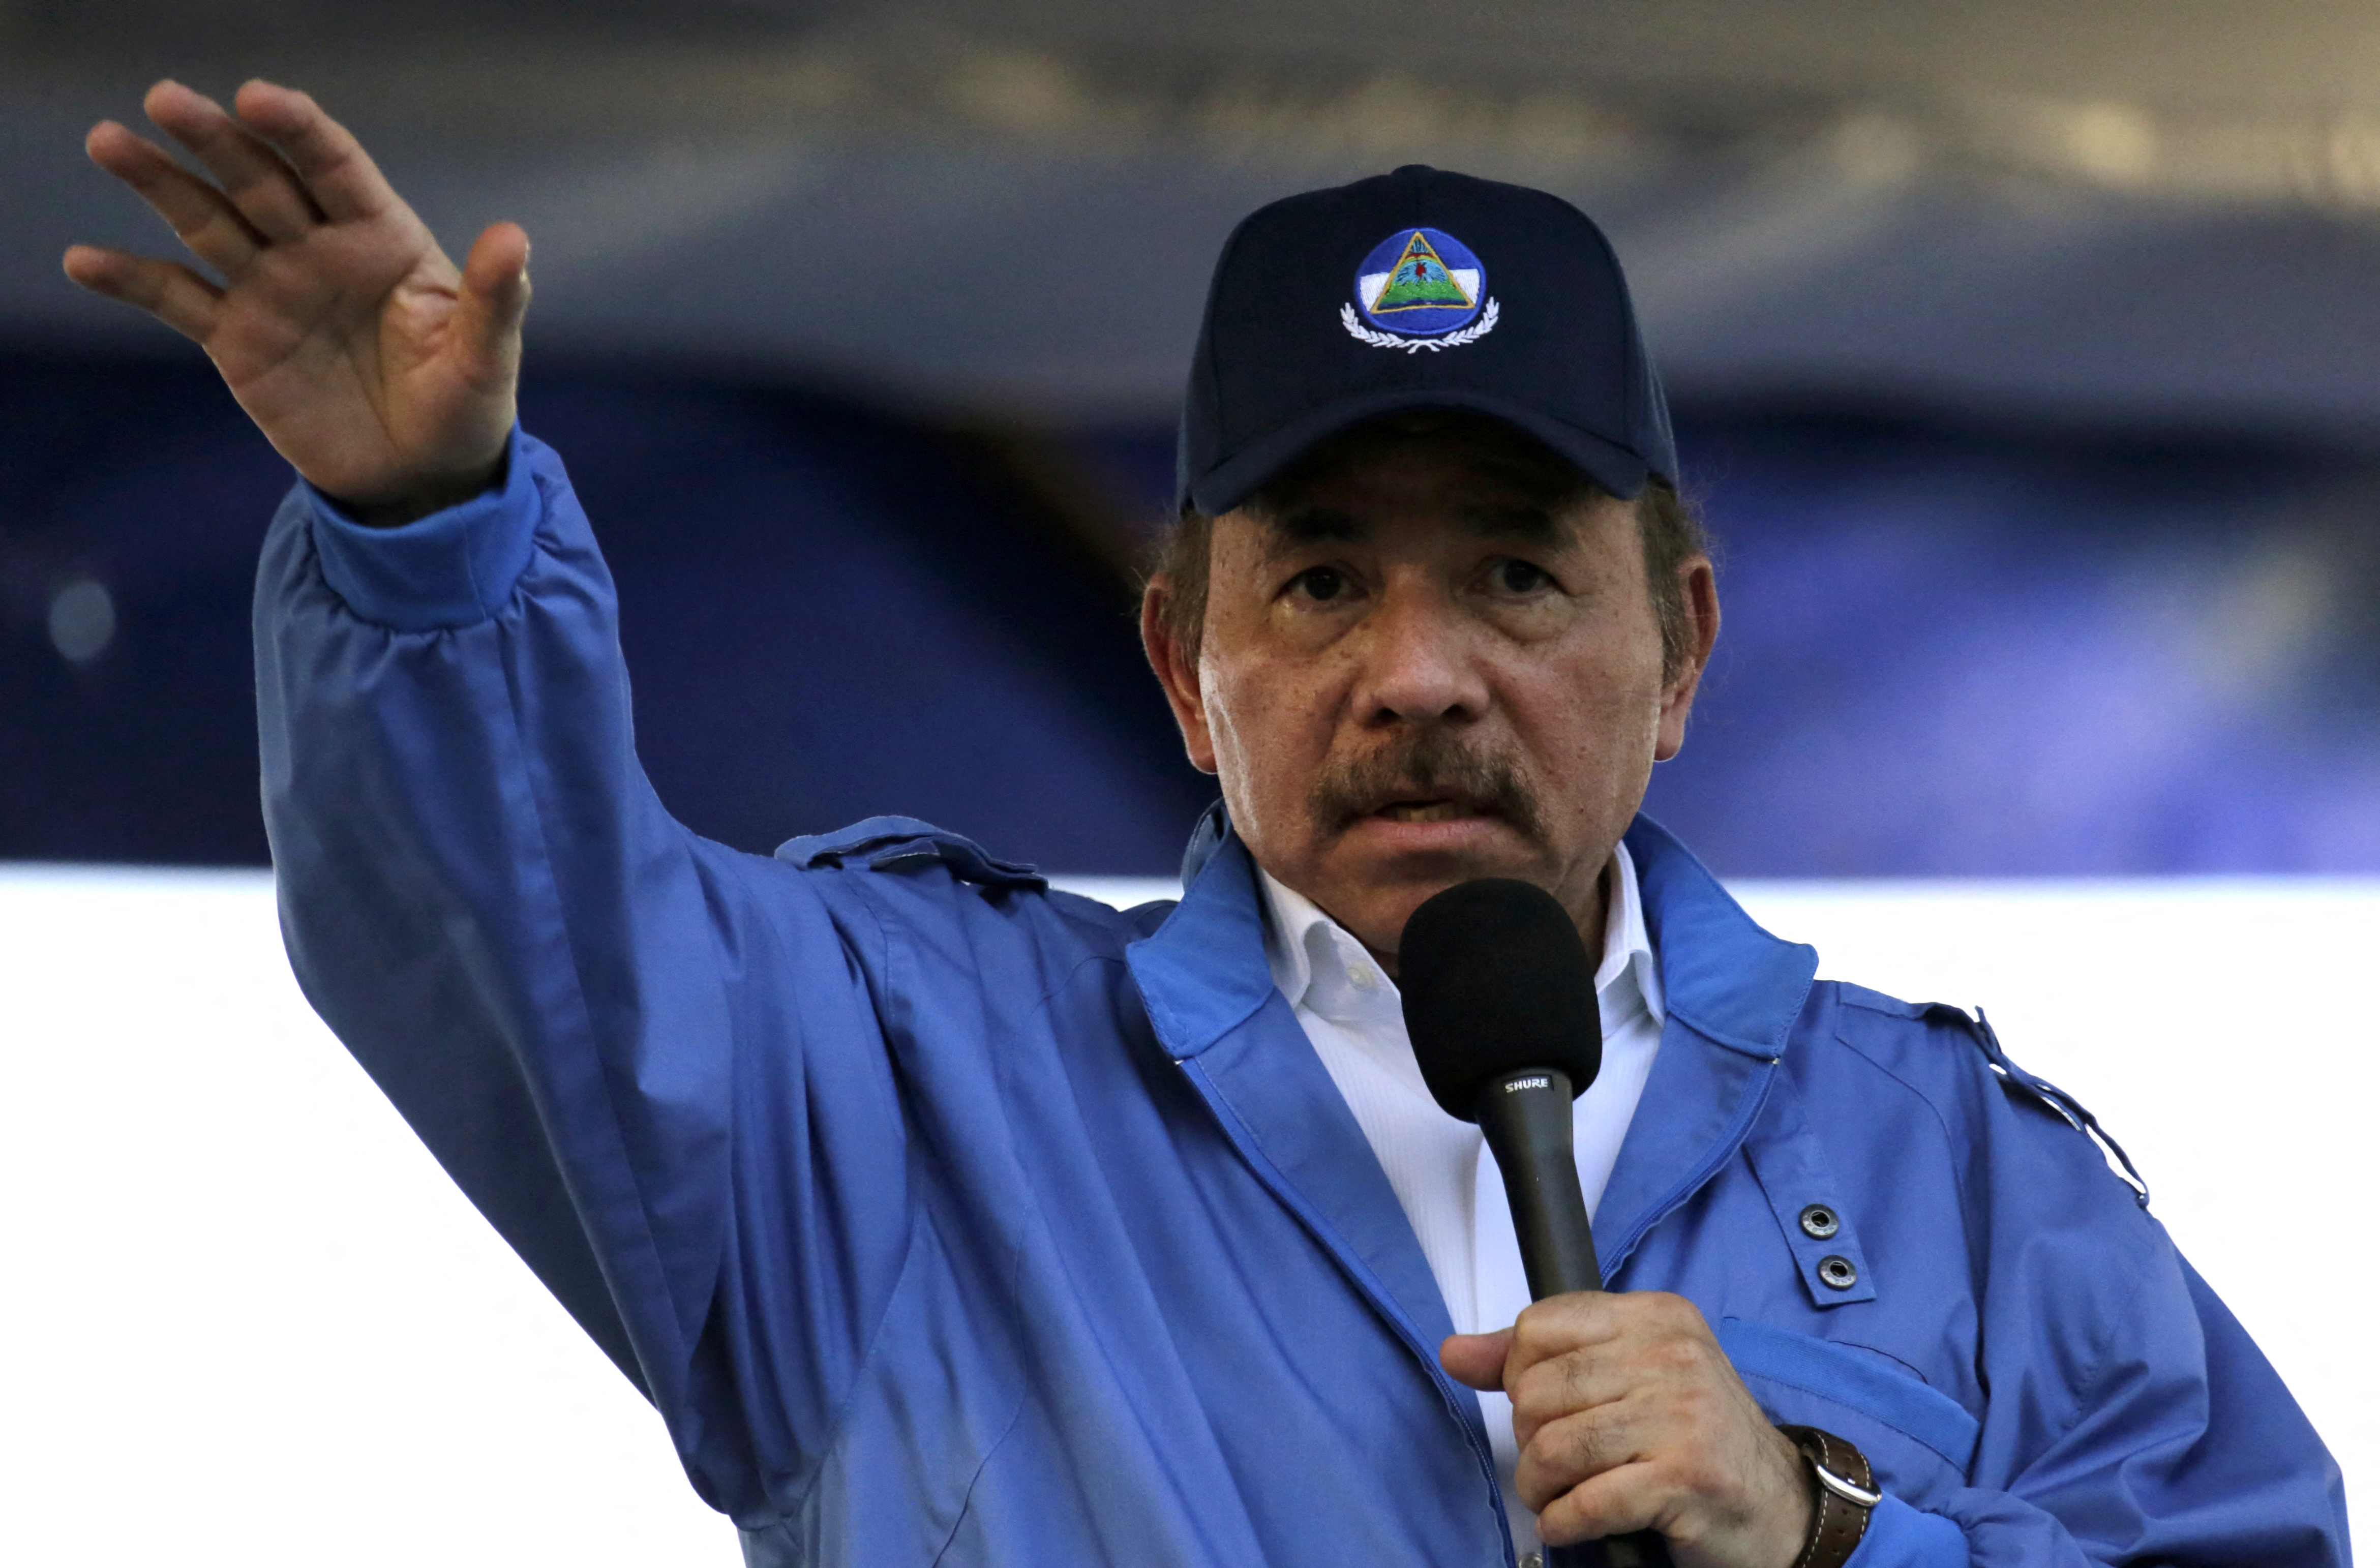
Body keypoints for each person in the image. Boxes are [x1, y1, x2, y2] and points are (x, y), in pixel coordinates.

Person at [66, 79, 2348, 1568]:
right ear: (1182, 668)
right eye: (1323, 582)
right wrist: (426, 535)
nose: (1417, 672)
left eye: (1516, 573)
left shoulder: (1963, 1175)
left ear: (1681, 651)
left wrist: (1833, 1526)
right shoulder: (889, 1080)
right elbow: (519, 939)